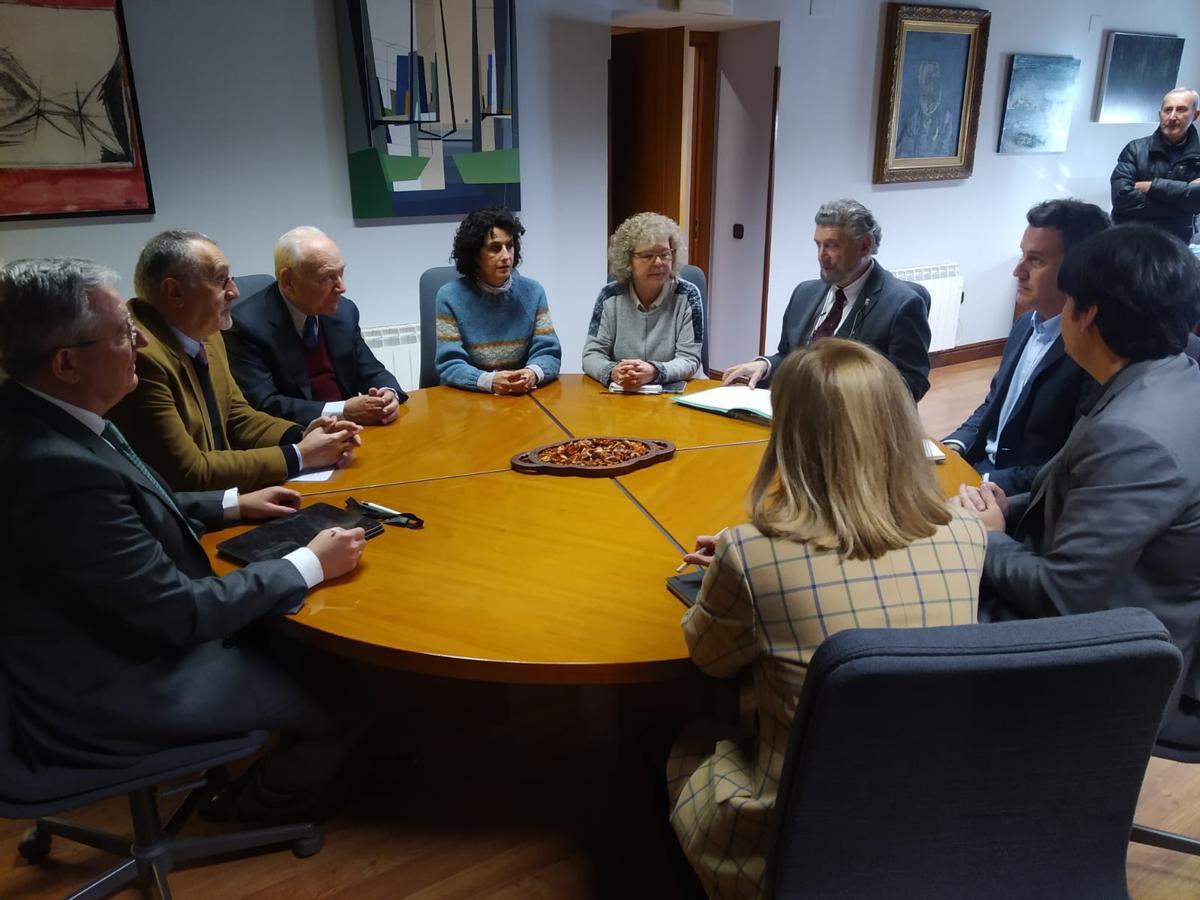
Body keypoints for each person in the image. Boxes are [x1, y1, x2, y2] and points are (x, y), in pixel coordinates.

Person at [0, 257, 368, 821]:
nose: (143, 343)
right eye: (123, 334)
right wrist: (309, 563)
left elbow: (129, 503)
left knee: (303, 642)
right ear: (66, 363)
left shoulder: (39, 416)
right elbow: (178, 612)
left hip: (89, 644)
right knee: (345, 698)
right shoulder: (57, 470)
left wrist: (232, 503)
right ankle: (248, 812)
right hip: (118, 684)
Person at [669, 339, 986, 897]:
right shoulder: (968, 534)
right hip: (930, 815)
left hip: (790, 836)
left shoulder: (752, 553)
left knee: (681, 745)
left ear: (789, 437)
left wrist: (737, 566)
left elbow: (708, 658)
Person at [957, 224, 1200, 749]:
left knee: (902, 622)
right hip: (1126, 604)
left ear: (1086, 314)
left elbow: (1062, 595)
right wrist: (1003, 506)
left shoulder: (1134, 433)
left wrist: (986, 537)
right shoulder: (1172, 374)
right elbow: (1080, 490)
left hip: (1116, 659)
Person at [109, 229, 360, 492]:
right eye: (221, 281)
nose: (235, 292)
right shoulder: (141, 357)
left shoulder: (208, 334)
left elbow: (238, 417)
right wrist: (300, 455)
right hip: (192, 515)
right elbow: (188, 472)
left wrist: (302, 435)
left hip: (230, 491)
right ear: (174, 292)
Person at [942, 199, 1110, 493]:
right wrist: (953, 447)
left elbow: (1067, 466)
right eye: (1022, 255)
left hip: (1018, 497)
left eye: (1036, 260)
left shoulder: (1094, 352)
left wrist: (982, 483)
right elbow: (992, 406)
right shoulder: (1025, 325)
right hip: (980, 471)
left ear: (1077, 269)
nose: (1017, 271)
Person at [721, 199, 932, 400]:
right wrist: (766, 366)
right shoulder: (804, 293)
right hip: (790, 415)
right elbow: (789, 356)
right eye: (818, 245)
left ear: (865, 246)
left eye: (831, 246)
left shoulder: (902, 305)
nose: (821, 255)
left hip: (852, 427)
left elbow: (912, 385)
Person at [225, 226, 406, 428]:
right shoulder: (246, 325)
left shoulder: (344, 311)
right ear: (288, 281)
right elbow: (264, 404)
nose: (342, 287)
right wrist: (342, 411)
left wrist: (389, 393)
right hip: (296, 438)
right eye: (327, 277)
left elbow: (370, 369)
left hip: (353, 431)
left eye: (341, 273)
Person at [435, 207, 562, 394]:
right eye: (495, 248)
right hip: (470, 399)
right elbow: (450, 363)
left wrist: (532, 373)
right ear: (475, 255)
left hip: (522, 398)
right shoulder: (449, 296)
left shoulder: (533, 292)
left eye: (509, 246)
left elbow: (549, 352)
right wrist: (489, 381)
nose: (506, 256)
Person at [582, 212, 703, 388]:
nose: (659, 263)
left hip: (678, 394)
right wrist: (613, 371)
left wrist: (655, 371)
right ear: (628, 260)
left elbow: (690, 359)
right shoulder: (609, 297)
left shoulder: (688, 295)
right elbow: (591, 355)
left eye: (665, 254)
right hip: (625, 393)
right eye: (647, 256)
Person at [1111, 86, 1200, 243]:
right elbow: (1121, 199)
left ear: (1195, 115)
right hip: (1128, 242)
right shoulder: (1135, 149)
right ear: (1160, 114)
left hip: (1175, 246)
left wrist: (1151, 186)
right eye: (1168, 110)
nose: (1172, 116)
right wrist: (1183, 204)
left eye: (1181, 110)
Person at [896, 58, 960, 158]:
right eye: (929, 79)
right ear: (921, 83)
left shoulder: (947, 118)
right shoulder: (912, 116)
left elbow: (947, 153)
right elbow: (902, 153)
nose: (933, 85)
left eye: (936, 80)